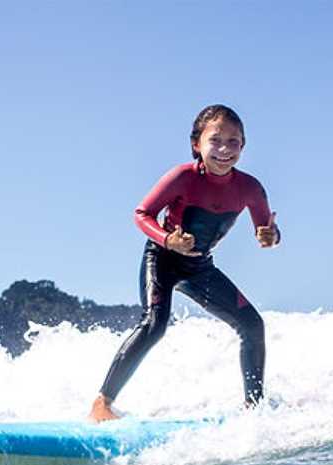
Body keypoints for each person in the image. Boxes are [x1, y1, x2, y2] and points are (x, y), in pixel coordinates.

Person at [89, 104, 280, 422]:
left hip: (199, 268)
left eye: (234, 142)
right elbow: (142, 214)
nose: (224, 149)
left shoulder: (250, 188)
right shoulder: (181, 177)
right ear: (197, 144)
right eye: (215, 140)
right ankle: (102, 403)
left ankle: (255, 409)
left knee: (252, 325)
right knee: (154, 325)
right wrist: (168, 240)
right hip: (162, 259)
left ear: (243, 147)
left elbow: (266, 231)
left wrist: (270, 237)